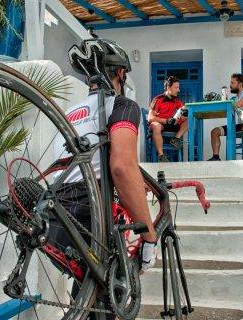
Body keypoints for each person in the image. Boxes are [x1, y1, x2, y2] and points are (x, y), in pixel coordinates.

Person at [53, 39, 157, 274]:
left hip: (57, 218)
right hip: (90, 214)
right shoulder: (122, 105)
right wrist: (149, 237)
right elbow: (121, 167)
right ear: (121, 73)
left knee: (87, 292)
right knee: (108, 297)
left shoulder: (69, 113)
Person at [208, 73, 243, 161]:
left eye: (232, 83)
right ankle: (216, 157)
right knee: (215, 131)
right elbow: (226, 106)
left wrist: (227, 102)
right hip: (240, 125)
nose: (230, 85)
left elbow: (239, 104)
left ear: (239, 84)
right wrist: (224, 97)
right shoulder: (234, 98)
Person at [148, 76, 188, 162]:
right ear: (168, 87)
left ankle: (176, 139)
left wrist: (185, 112)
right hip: (160, 124)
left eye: (178, 87)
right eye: (176, 87)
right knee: (156, 126)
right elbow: (150, 118)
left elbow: (184, 112)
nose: (178, 90)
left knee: (190, 120)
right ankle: (161, 155)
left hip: (171, 125)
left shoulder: (177, 101)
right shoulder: (158, 99)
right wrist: (166, 121)